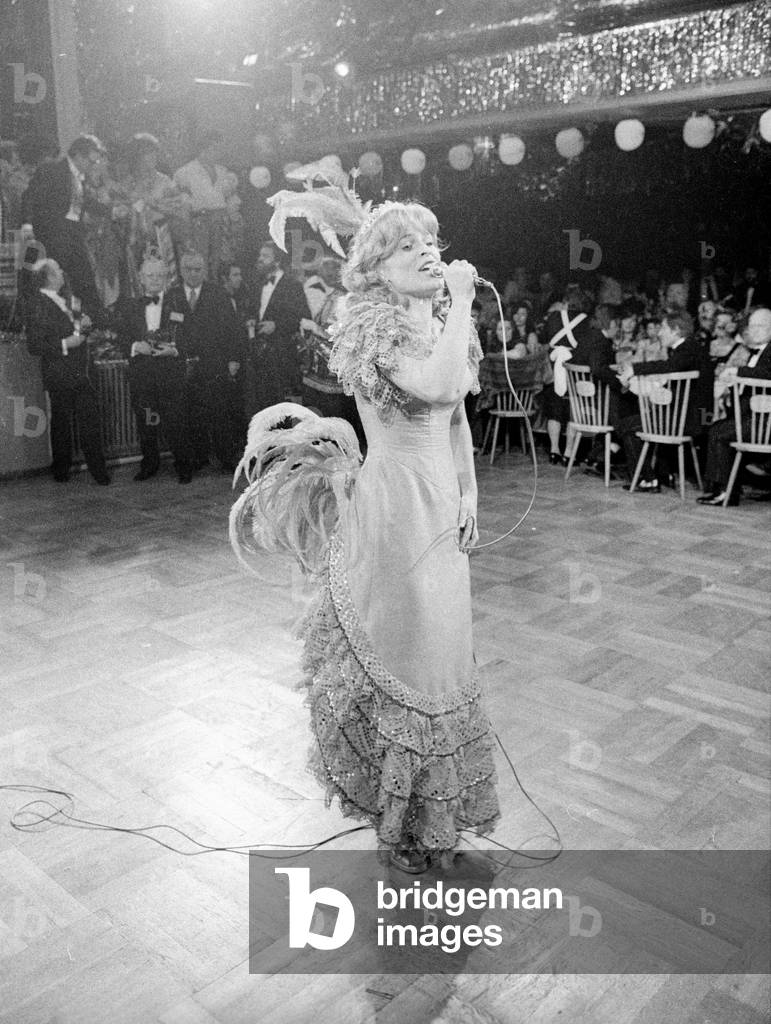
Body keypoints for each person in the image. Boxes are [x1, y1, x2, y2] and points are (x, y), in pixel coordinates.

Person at [231, 202, 499, 870]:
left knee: (444, 656)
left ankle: (436, 820)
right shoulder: (368, 325)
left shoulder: (441, 322)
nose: (431, 253)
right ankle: (400, 826)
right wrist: (463, 300)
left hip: (440, 505)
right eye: (409, 245)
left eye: (434, 241)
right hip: (393, 509)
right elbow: (433, 384)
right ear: (376, 269)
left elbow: (457, 417)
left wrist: (469, 490)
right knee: (406, 654)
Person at [25, 259, 110, 484]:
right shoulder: (37, 304)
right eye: (58, 271)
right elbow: (35, 345)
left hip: (82, 372)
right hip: (60, 374)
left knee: (89, 422)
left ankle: (98, 472)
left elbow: (77, 328)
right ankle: (61, 472)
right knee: (61, 424)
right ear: (49, 277)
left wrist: (86, 323)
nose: (63, 273)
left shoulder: (68, 299)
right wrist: (66, 344)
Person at [114, 254, 194, 483]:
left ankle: (184, 466)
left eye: (160, 275)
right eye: (150, 275)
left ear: (167, 278)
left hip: (170, 375)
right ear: (141, 278)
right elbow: (120, 339)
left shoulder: (179, 303)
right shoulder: (129, 306)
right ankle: (149, 464)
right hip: (142, 376)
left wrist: (175, 350)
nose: (155, 279)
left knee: (176, 421)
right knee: (146, 422)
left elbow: (190, 337)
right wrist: (134, 345)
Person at [617, 309, 713, 492]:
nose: (659, 332)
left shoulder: (687, 349)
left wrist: (634, 370)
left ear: (676, 330)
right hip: (691, 417)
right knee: (641, 420)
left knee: (627, 426)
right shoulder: (690, 348)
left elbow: (668, 366)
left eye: (663, 328)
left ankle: (648, 478)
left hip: (689, 421)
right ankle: (660, 474)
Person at [165, 251, 243, 471]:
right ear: (181, 271)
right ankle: (198, 457)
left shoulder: (217, 293)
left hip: (214, 363)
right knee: (192, 413)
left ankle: (226, 458)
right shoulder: (172, 295)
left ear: (204, 270)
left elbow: (233, 329)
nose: (193, 274)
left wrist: (233, 359)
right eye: (188, 269)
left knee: (220, 413)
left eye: (198, 269)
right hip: (184, 365)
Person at [21, 134, 107, 323]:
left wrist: (111, 210)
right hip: (53, 235)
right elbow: (30, 197)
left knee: (83, 278)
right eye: (91, 161)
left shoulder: (78, 176)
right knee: (59, 280)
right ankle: (67, 324)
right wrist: (27, 225)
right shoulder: (52, 169)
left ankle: (94, 323)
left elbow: (84, 202)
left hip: (72, 234)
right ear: (78, 155)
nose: (93, 165)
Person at [698, 306, 771, 506]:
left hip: (765, 423)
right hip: (755, 417)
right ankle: (724, 488)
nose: (754, 330)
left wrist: (738, 373)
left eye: (760, 326)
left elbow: (767, 374)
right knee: (717, 428)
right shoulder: (758, 352)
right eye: (752, 326)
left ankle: (725, 491)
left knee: (719, 432)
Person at [252, 240, 311, 409]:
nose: (260, 259)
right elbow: (254, 311)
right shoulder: (257, 284)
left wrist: (276, 325)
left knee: (282, 407)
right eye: (260, 255)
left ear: (277, 261)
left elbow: (303, 317)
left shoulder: (293, 285)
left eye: (265, 256)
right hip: (259, 356)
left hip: (282, 355)